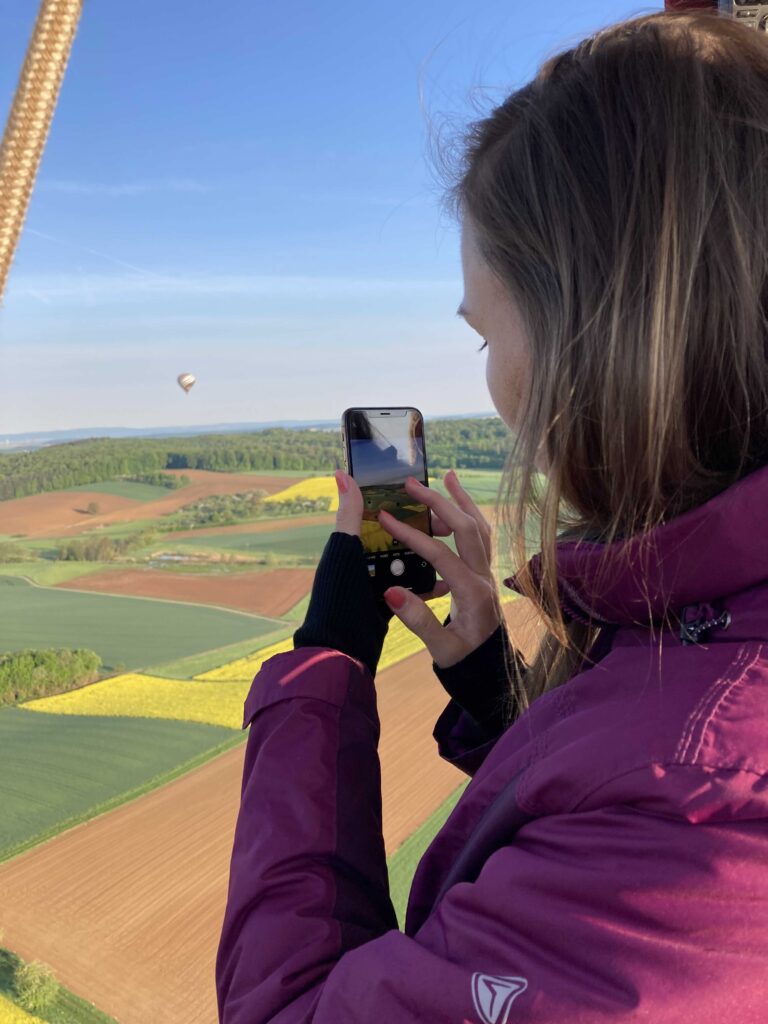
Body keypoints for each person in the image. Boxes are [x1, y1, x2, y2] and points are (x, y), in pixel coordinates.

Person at [215, 9, 768, 1022]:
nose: (499, 384)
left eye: (484, 334)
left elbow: (290, 1008)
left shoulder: (704, 810)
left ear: (592, 330)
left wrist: (326, 657)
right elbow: (604, 795)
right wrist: (497, 692)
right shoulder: (711, 633)